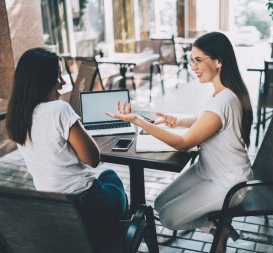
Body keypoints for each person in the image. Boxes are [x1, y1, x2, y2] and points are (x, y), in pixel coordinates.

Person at [107, 32, 253, 253]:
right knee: (158, 204)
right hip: (208, 171)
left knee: (169, 219)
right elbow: (205, 121)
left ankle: (217, 228)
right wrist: (175, 121)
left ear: (218, 61)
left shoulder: (224, 99)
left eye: (198, 60)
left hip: (230, 183)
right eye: (191, 60)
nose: (192, 66)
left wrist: (137, 121)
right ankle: (217, 227)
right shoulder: (222, 93)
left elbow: (184, 143)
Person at [5, 48, 127, 250]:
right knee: (111, 176)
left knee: (107, 179)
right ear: (42, 81)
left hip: (56, 211)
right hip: (87, 207)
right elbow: (93, 159)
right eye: (58, 76)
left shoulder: (17, 117)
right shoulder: (58, 109)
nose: (62, 83)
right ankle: (113, 237)